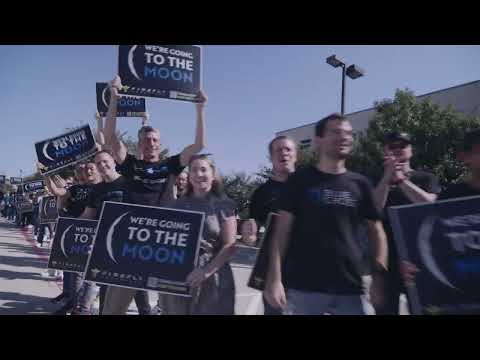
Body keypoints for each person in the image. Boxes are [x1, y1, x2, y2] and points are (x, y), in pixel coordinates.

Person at [101, 76, 208, 315]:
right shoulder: (130, 165)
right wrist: (114, 100)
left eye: (155, 140)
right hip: (130, 241)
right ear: (139, 143)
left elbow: (198, 146)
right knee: (114, 307)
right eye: (146, 139)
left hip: (160, 241)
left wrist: (200, 108)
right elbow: (109, 138)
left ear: (160, 144)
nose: (150, 143)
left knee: (171, 307)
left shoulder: (170, 165)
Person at [264, 113, 388, 315]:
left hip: (353, 289)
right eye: (336, 132)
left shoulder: (361, 183)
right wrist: (274, 278)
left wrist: (379, 277)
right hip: (304, 288)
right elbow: (281, 234)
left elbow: (377, 232)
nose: (344, 137)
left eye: (349, 133)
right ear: (318, 140)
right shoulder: (299, 181)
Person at [373, 131, 440, 314]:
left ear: (410, 150)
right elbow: (373, 211)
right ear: (384, 151)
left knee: (425, 309)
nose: (397, 150)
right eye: (392, 147)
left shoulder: (426, 178)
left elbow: (430, 205)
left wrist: (401, 180)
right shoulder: (376, 180)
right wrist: (388, 177)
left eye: (402, 146)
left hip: (421, 257)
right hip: (388, 260)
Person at [161, 155, 237, 315]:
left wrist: (205, 272)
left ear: (212, 173)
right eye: (194, 170)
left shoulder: (224, 204)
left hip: (213, 273)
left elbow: (229, 246)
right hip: (180, 272)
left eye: (203, 169)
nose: (198, 174)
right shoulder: (179, 204)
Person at [78, 150, 151, 315]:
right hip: (106, 247)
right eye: (98, 163)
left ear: (114, 161)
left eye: (105, 161)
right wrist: (66, 229)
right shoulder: (96, 190)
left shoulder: (130, 183)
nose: (102, 165)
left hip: (131, 246)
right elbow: (88, 216)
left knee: (139, 291)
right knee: (106, 289)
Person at [246, 135, 297, 315]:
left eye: (288, 149)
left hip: (308, 269)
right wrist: (249, 235)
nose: (283, 153)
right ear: (271, 157)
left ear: (296, 155)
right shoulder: (261, 193)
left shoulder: (309, 187)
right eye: (278, 150)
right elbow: (252, 235)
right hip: (273, 273)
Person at [44, 162, 101, 314]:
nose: (84, 172)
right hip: (75, 232)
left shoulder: (101, 187)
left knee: (89, 274)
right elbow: (57, 191)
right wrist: (46, 175)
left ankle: (83, 307)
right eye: (79, 170)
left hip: (93, 233)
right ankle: (75, 305)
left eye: (87, 169)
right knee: (74, 272)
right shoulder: (75, 189)